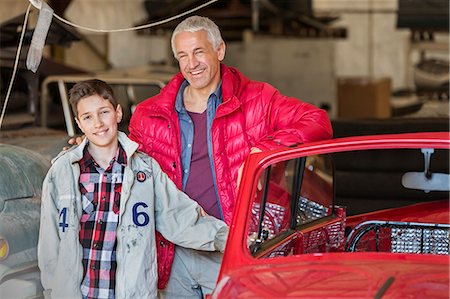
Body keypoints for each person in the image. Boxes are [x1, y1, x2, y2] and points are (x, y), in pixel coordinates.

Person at [127, 16, 333, 298]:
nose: (192, 63)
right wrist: (90, 147)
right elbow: (127, 162)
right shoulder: (149, 114)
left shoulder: (258, 99)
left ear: (219, 50)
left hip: (232, 246)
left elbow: (317, 121)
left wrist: (265, 149)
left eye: (199, 52)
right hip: (173, 252)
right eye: (182, 56)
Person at [38, 79, 228, 299]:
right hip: (78, 293)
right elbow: (49, 241)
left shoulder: (145, 170)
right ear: (79, 123)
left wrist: (226, 237)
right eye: (88, 117)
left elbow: (177, 215)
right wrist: (52, 290)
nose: (98, 123)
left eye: (104, 112)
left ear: (118, 113)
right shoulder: (62, 171)